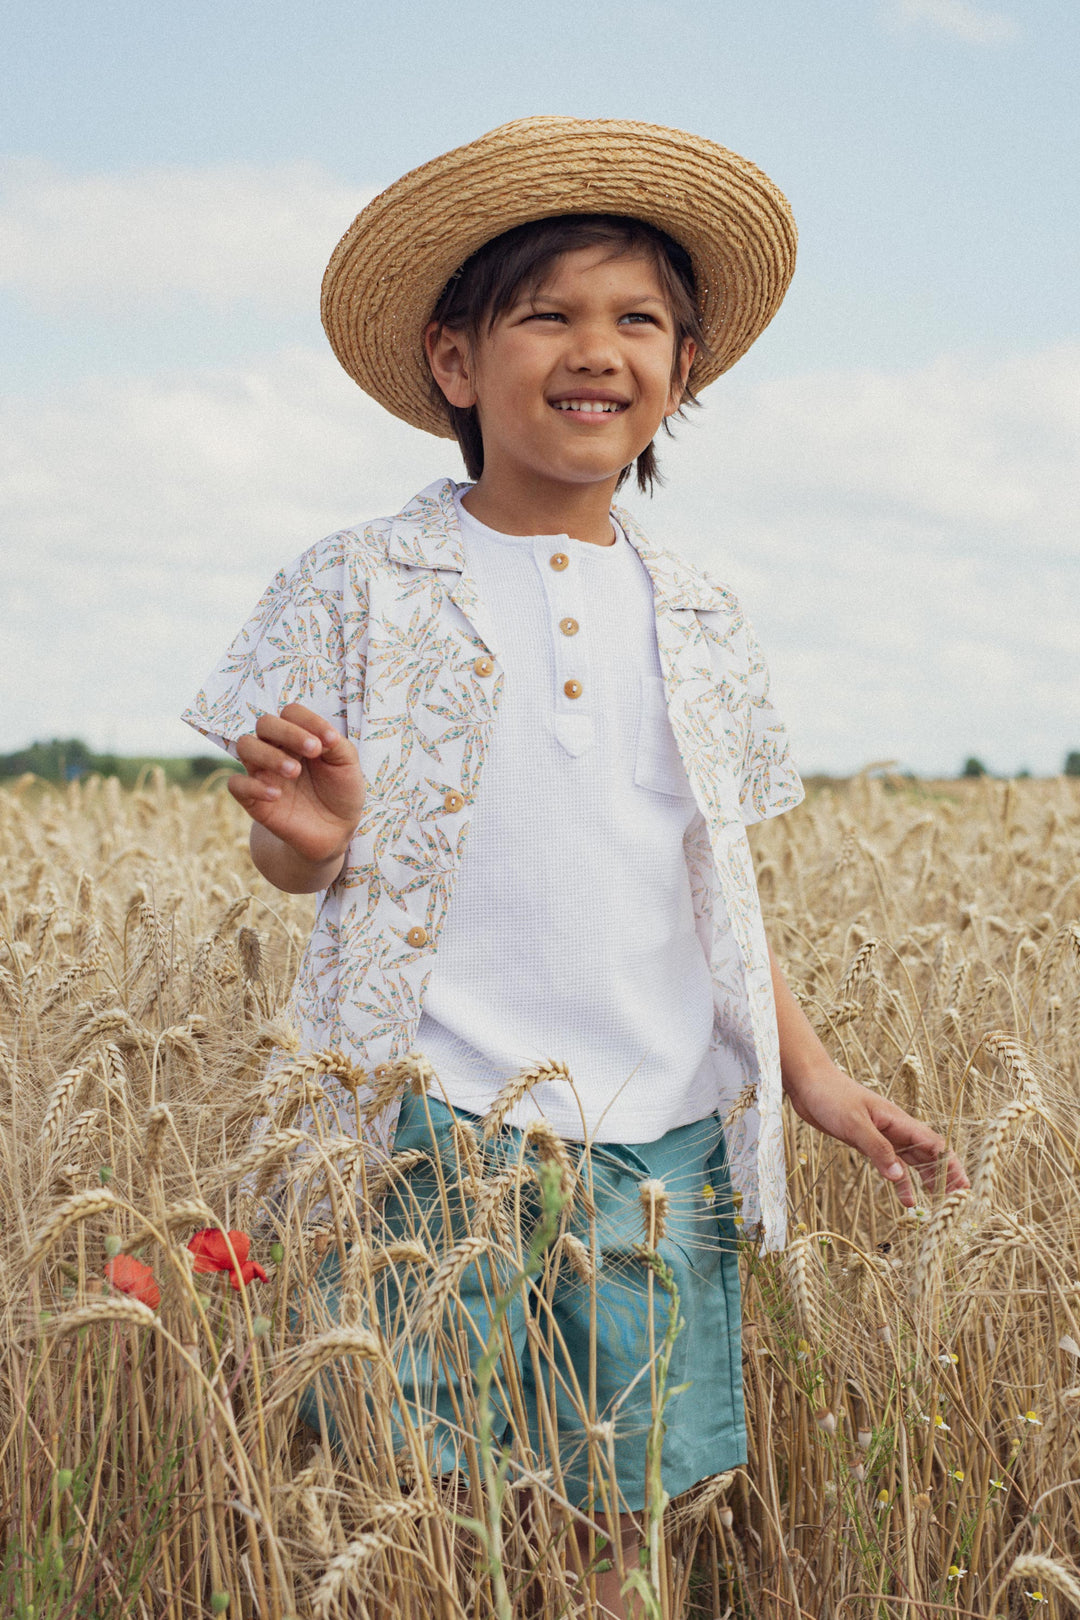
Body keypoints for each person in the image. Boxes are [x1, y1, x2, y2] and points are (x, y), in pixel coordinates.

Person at [183, 117, 969, 1617]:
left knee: (635, 1514)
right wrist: (315, 847)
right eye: (547, 312)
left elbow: (711, 877)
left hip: (659, 1140)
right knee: (412, 1500)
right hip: (429, 1121)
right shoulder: (359, 582)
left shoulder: (700, 610)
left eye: (639, 320)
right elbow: (305, 863)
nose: (596, 347)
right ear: (455, 361)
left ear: (682, 376)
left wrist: (809, 1073)